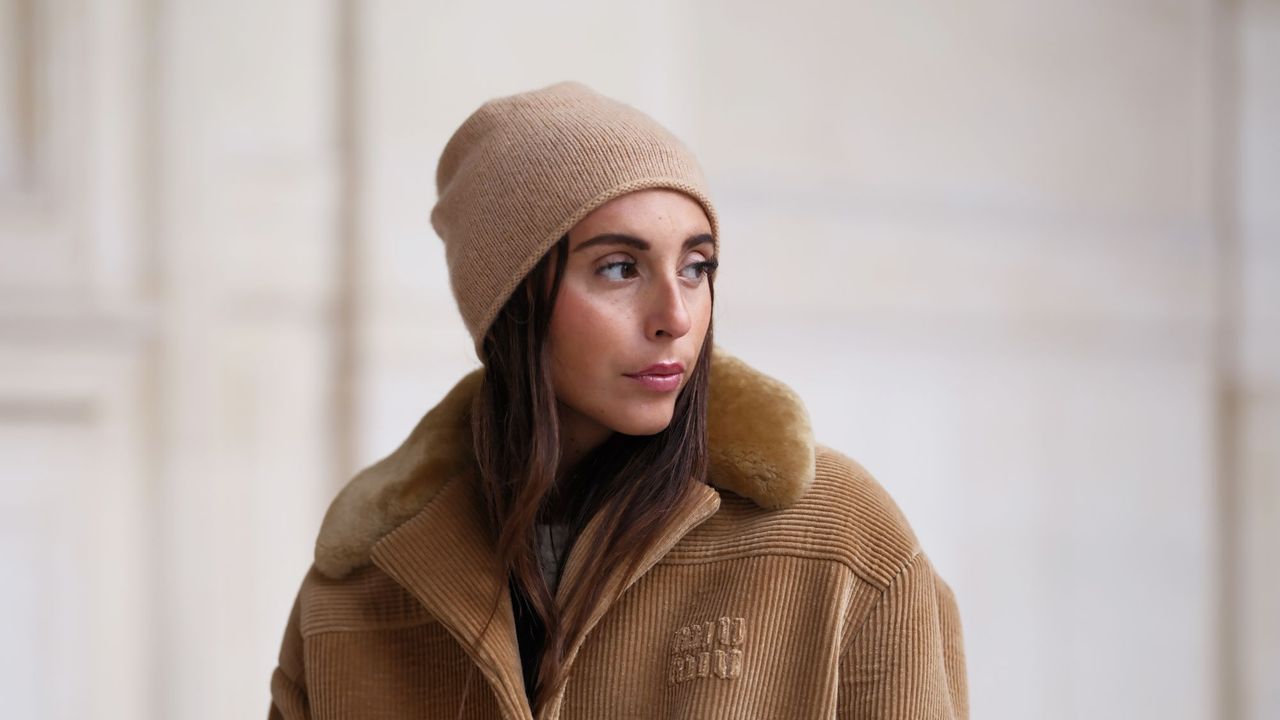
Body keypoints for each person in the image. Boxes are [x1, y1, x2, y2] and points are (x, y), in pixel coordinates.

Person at [267, 80, 968, 720]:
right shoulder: (357, 592)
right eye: (620, 268)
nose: (676, 315)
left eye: (697, 267)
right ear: (511, 303)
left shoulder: (842, 540)